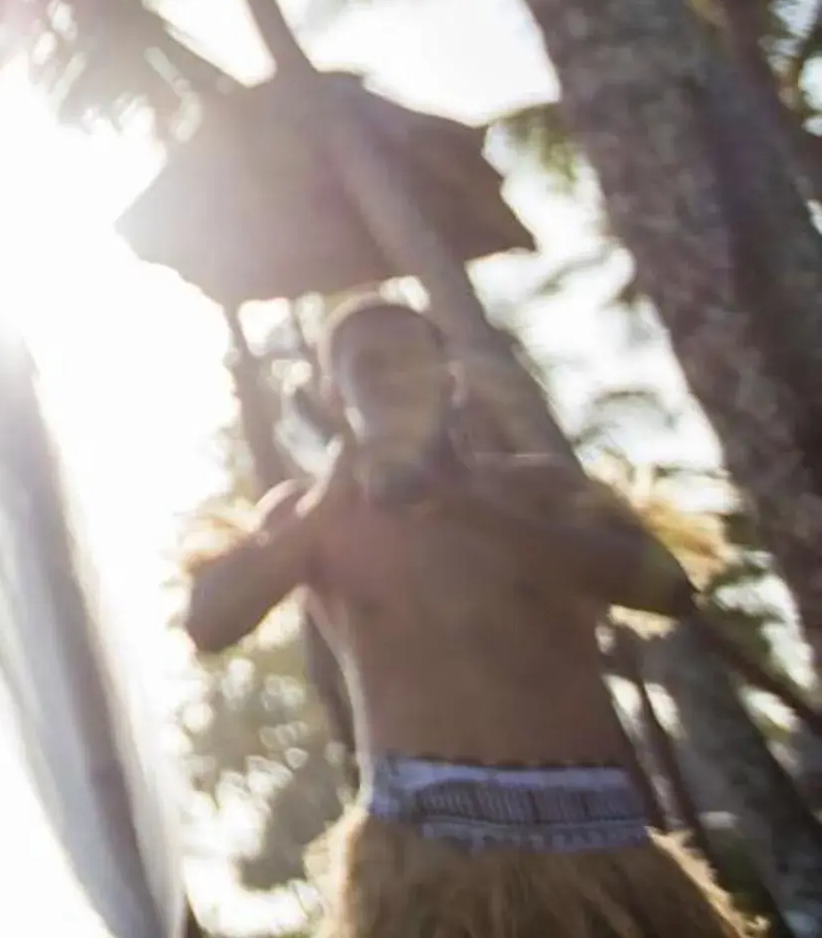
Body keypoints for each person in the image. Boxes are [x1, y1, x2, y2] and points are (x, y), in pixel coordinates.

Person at [185, 294, 753, 938]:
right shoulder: (309, 519)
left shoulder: (537, 490)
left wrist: (468, 511)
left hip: (600, 840)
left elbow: (668, 589)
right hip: (424, 848)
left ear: (449, 378)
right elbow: (210, 623)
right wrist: (326, 505)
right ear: (333, 393)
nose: (395, 377)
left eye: (410, 359)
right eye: (369, 365)